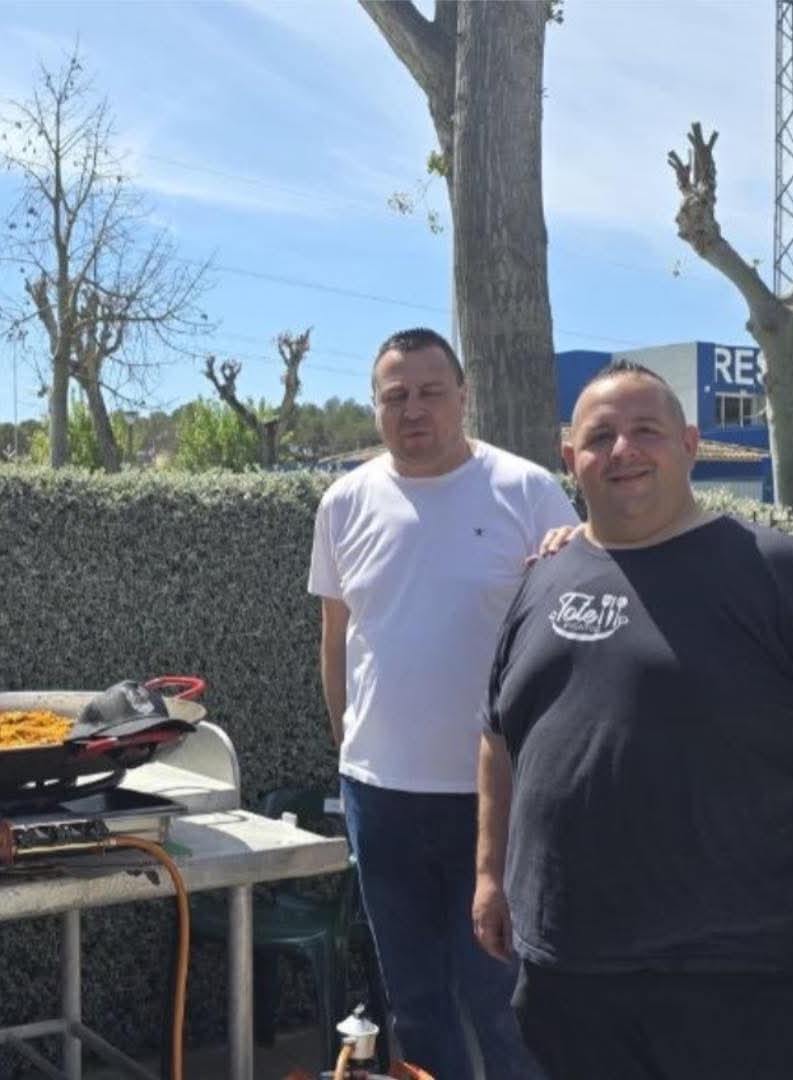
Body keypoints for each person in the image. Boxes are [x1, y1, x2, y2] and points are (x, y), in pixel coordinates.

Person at [475, 359, 793, 1080]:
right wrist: (490, 875)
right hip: (571, 971)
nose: (623, 450)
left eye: (645, 431)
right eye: (600, 437)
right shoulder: (543, 580)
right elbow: (498, 737)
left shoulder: (776, 572)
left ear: (688, 444)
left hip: (749, 975)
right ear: (570, 457)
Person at [308, 327, 576, 1080]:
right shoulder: (343, 502)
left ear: (463, 395)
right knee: (416, 1005)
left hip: (494, 799)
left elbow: (570, 635)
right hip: (379, 798)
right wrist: (350, 751)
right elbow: (337, 640)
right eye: (395, 396)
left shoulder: (527, 491)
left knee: (504, 1004)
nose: (413, 409)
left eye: (430, 391)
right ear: (375, 406)